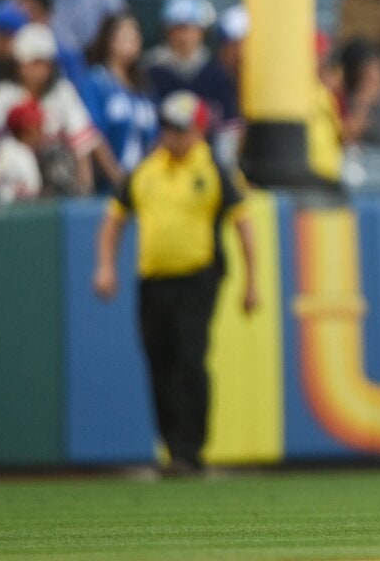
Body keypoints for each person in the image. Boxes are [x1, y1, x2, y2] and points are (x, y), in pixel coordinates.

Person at [92, 90, 258, 475]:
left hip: (198, 278)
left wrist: (252, 281)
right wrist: (105, 266)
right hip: (153, 280)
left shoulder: (214, 169)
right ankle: (172, 449)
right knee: (159, 362)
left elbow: (244, 225)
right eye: (167, 128)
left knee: (189, 360)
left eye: (180, 129)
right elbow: (114, 218)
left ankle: (190, 450)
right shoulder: (146, 170)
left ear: (198, 131)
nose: (172, 136)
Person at [0, 23, 113, 195]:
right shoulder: (4, 93)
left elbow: (83, 139)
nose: (40, 70)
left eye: (45, 63)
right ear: (19, 64)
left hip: (56, 172)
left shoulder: (62, 91)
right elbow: (0, 144)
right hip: (16, 172)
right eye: (34, 63)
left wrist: (86, 186)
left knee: (61, 153)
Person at [145, 0, 240, 138]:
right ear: (167, 31)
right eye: (178, 28)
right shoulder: (151, 71)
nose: (185, 36)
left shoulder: (216, 72)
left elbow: (228, 121)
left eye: (191, 28)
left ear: (202, 31)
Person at [83, 13, 159, 177]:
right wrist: (116, 178)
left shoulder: (144, 86)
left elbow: (154, 136)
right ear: (109, 39)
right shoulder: (96, 81)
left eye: (135, 36)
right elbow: (93, 132)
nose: (131, 41)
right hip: (108, 182)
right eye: (124, 36)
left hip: (144, 180)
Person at [0, 98, 45, 203]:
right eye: (38, 126)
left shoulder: (27, 151)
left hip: (26, 206)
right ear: (26, 129)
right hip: (10, 208)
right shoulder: (6, 150)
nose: (41, 132)